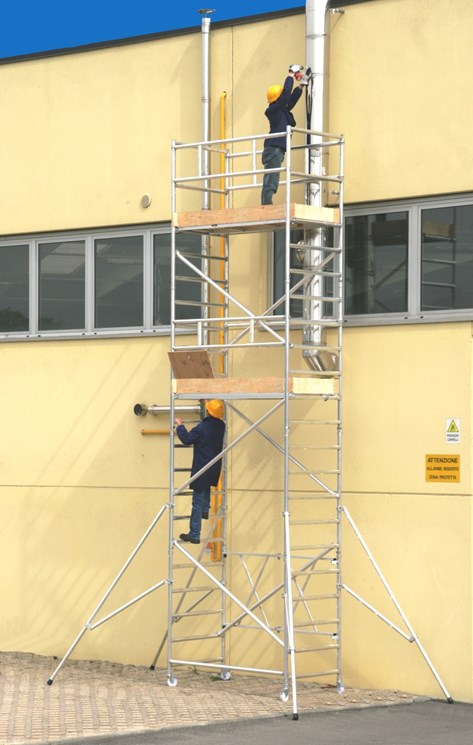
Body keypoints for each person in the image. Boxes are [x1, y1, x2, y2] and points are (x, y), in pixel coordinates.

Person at [175, 399, 225, 545]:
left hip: (201, 467)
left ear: (209, 411)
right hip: (213, 466)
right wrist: (205, 403)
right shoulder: (221, 426)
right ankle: (205, 510)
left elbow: (187, 439)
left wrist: (180, 426)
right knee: (206, 488)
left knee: (196, 501)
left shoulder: (203, 427)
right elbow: (211, 417)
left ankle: (194, 533)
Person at [261, 65, 307, 206]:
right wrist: (291, 74)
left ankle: (267, 201)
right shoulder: (273, 110)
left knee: (273, 174)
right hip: (274, 148)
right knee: (272, 176)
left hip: (277, 148)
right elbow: (286, 95)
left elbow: (290, 99)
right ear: (277, 99)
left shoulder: (281, 110)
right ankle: (266, 203)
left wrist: (301, 86)